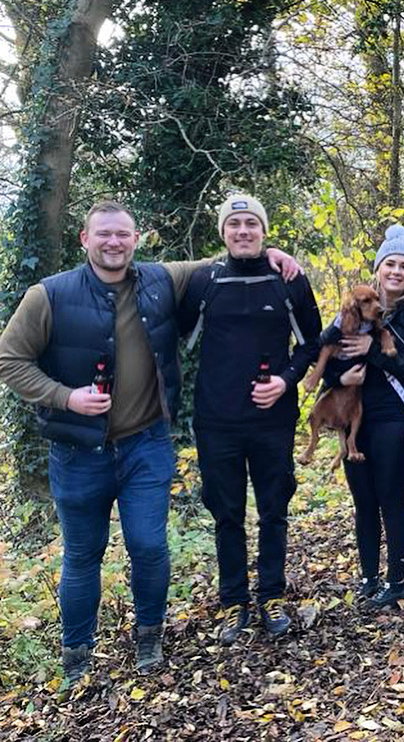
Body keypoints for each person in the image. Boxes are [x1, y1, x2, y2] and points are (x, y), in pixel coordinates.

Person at [0, 200, 298, 683]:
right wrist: (65, 397)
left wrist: (273, 251)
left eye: (123, 234)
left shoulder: (160, 279)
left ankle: (149, 639)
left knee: (149, 546)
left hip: (146, 444)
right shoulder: (48, 296)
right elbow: (10, 360)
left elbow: (222, 256)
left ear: (136, 239)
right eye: (104, 235)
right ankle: (76, 657)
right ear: (85, 240)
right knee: (81, 555)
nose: (114, 242)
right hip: (78, 450)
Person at [179, 194, 321, 644]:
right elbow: (173, 340)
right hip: (216, 420)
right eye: (234, 224)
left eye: (251, 224)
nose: (243, 231)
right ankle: (233, 601)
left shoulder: (288, 280)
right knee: (226, 514)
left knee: (274, 509)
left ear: (264, 230)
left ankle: (272, 594)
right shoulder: (205, 281)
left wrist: (286, 380)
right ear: (223, 232)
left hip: (273, 421)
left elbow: (312, 344)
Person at [318, 224, 404, 609]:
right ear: (379, 268)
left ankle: (397, 581)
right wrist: (339, 376)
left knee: (391, 499)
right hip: (356, 418)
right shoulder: (353, 310)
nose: (396, 272)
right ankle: (369, 578)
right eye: (390, 264)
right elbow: (326, 355)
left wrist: (372, 349)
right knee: (363, 502)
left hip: (396, 420)